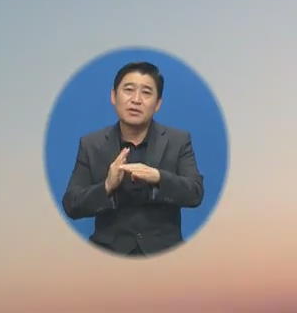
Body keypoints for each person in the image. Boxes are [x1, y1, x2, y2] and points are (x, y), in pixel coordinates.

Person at [61, 61, 205, 257]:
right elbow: (71, 204)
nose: (136, 99)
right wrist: (107, 186)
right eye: (128, 90)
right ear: (114, 96)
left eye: (146, 92)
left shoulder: (178, 140)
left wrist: (159, 178)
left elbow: (195, 193)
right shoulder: (91, 144)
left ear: (158, 104)